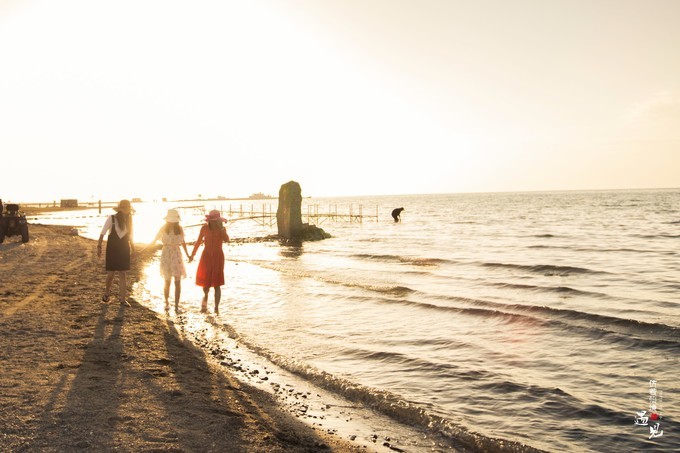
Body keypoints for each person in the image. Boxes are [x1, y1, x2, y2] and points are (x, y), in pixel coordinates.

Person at [144, 209, 190, 312]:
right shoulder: (168, 229)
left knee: (173, 281)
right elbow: (154, 240)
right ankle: (168, 303)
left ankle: (174, 305)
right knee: (169, 281)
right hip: (171, 255)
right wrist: (143, 250)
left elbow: (183, 242)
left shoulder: (177, 229)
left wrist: (188, 255)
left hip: (173, 255)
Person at [189, 209, 230, 314]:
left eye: (215, 220)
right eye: (212, 220)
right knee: (206, 282)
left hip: (218, 257)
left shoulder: (222, 229)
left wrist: (221, 230)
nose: (213, 222)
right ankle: (206, 297)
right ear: (209, 220)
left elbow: (227, 240)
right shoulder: (204, 228)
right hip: (206, 256)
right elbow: (198, 242)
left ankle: (216, 308)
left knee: (217, 283)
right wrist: (192, 255)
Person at [97, 199, 135, 304]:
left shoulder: (129, 220)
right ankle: (107, 293)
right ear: (121, 208)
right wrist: (99, 247)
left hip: (124, 249)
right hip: (112, 249)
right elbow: (102, 233)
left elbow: (131, 237)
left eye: (129, 207)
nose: (128, 209)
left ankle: (123, 299)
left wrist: (134, 249)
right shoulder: (112, 218)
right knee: (111, 274)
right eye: (126, 207)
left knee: (123, 274)